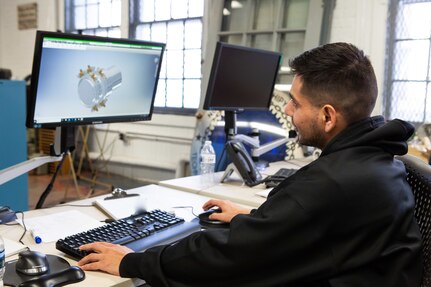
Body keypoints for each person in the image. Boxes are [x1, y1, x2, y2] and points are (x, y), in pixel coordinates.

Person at [77, 42, 423, 286]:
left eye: (295, 103)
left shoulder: (333, 183)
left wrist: (132, 261)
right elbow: (308, 227)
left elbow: (230, 255)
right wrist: (253, 220)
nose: (287, 111)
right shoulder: (378, 158)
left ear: (328, 116)